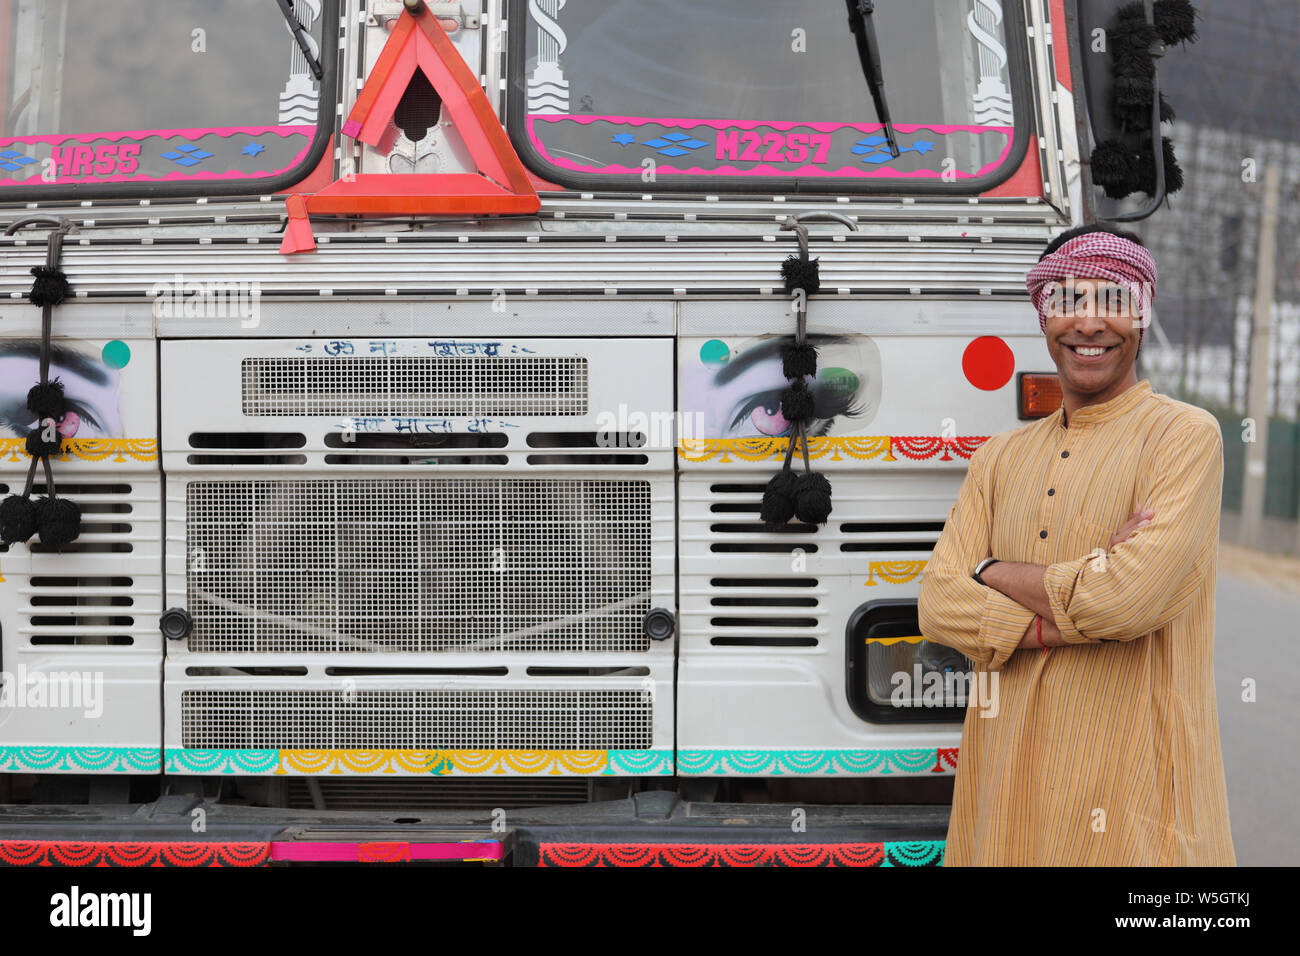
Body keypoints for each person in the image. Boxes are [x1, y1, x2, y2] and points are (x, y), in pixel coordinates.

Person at [916, 222, 1235, 866]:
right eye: (1068, 301)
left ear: (1141, 320)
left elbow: (1127, 602)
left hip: (1138, 812)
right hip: (1004, 812)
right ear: (1044, 319)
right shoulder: (1000, 459)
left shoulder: (1183, 437)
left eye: (1112, 301)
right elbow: (936, 605)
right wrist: (1087, 582)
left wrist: (991, 569)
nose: (1090, 324)